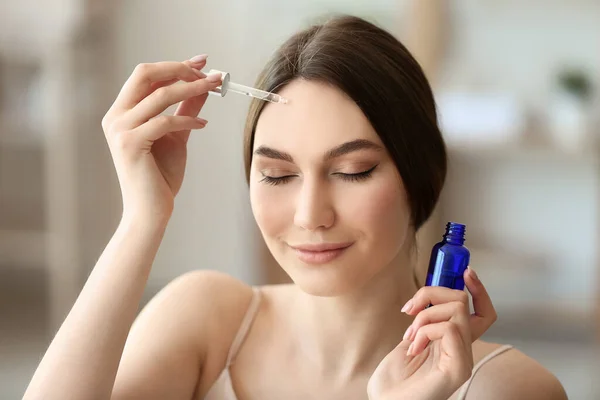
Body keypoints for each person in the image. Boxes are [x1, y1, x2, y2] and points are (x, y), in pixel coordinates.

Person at [24, 15, 567, 400]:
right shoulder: (208, 320)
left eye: (353, 171)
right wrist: (141, 221)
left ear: (421, 173)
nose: (310, 215)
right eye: (278, 174)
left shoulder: (506, 388)